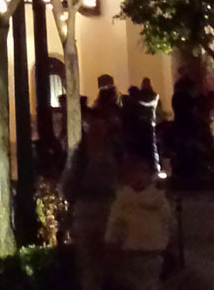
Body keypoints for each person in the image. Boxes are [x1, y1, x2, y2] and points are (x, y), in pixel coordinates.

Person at [62, 109, 121, 290]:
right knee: (90, 261)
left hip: (107, 207)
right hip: (88, 208)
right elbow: (68, 183)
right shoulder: (80, 154)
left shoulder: (113, 150)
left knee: (106, 260)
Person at [104, 151, 176, 290]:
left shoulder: (157, 200)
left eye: (143, 172)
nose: (139, 177)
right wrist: (112, 241)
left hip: (153, 251)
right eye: (134, 172)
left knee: (148, 283)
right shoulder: (124, 200)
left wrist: (169, 241)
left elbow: (168, 221)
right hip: (131, 251)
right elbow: (115, 222)